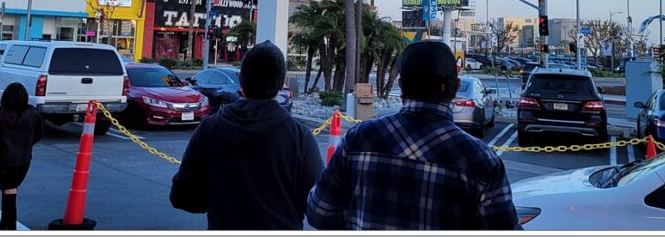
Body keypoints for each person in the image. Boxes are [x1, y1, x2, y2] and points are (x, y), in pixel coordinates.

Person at [307, 40, 521, 230]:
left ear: (401, 86)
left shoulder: (359, 140)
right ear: (455, 88)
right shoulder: (481, 161)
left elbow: (320, 213)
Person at [170, 40, 324, 230]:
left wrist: (221, 200)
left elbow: (181, 197)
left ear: (241, 80)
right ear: (281, 84)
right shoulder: (299, 137)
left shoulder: (209, 129)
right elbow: (317, 207)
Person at [0, 82, 44, 230]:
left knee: (8, 189)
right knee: (11, 188)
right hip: (24, 158)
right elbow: (39, 133)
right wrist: (27, 144)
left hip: (6, 159)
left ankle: (9, 224)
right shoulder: (34, 114)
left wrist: (0, 146)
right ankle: (6, 222)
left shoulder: (1, 116)